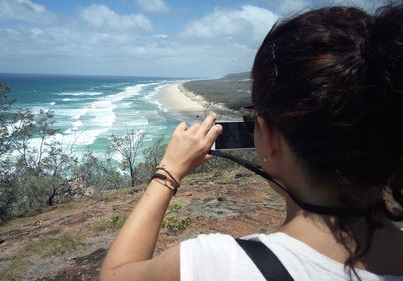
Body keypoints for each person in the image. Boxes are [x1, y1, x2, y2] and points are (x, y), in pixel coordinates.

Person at [98, 5, 403, 281]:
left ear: (269, 137)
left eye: (252, 120)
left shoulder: (218, 265)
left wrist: (169, 172)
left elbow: (114, 275)